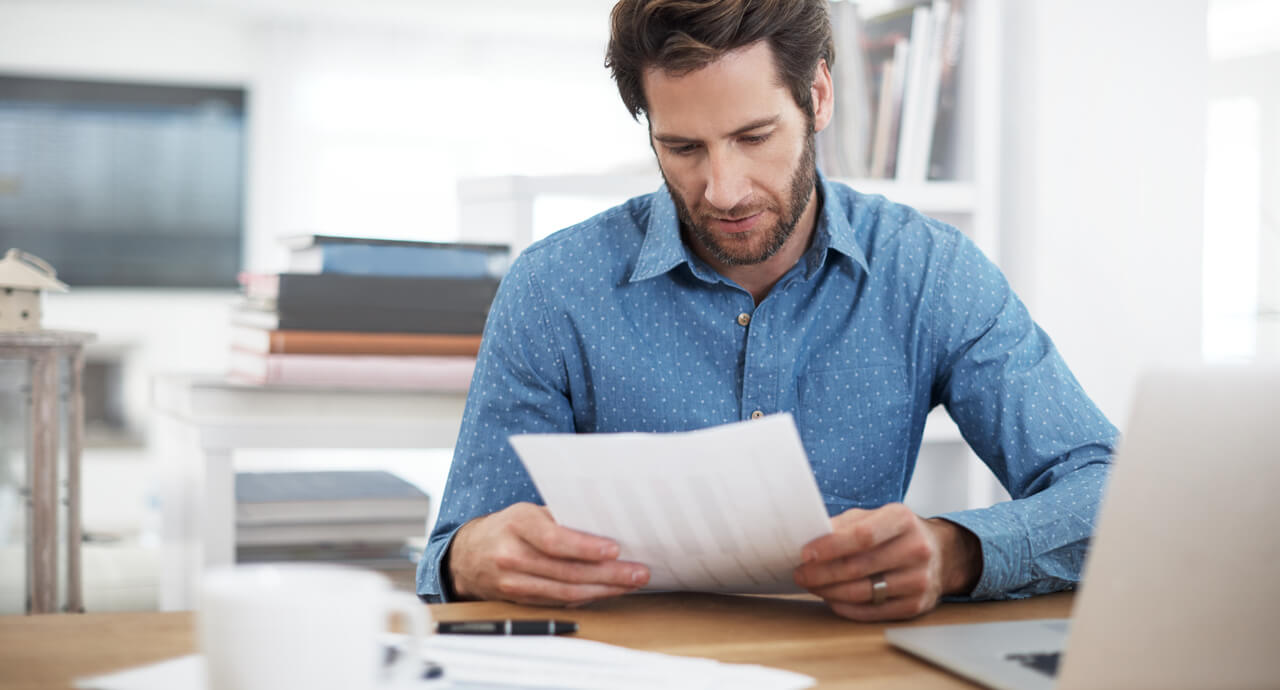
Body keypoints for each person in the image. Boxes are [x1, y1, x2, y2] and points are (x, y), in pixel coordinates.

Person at [416, 0, 1117, 622]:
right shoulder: (553, 288)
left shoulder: (929, 271)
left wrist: (958, 552)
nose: (722, 189)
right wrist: (470, 557)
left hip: (852, 671)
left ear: (817, 95)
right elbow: (456, 551)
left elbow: (1113, 495)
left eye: (754, 137)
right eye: (683, 147)